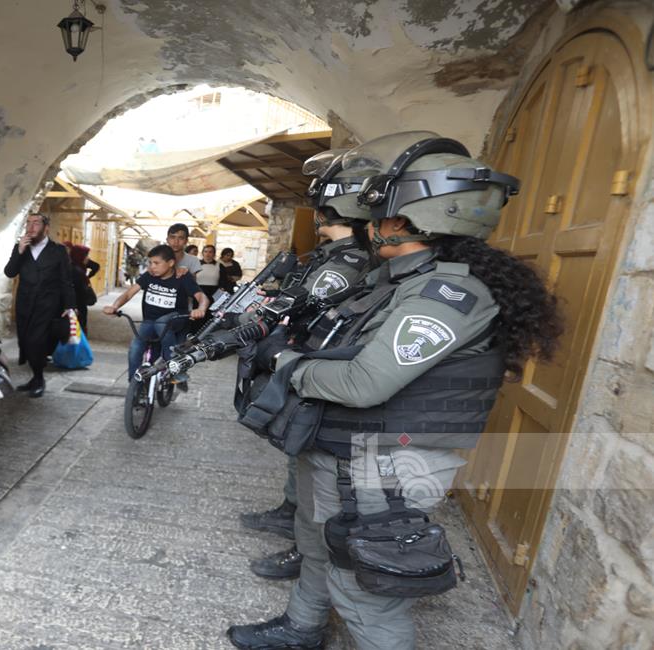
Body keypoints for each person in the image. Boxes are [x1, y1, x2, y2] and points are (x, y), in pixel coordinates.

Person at [227, 133, 561, 650]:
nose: (369, 225)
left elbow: (363, 383)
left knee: (364, 589)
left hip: (383, 463)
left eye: (379, 214)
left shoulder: (447, 294)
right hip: (347, 448)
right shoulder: (396, 279)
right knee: (317, 544)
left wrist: (288, 365)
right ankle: (302, 628)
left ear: (407, 221)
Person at [240, 152, 375, 580]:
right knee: (299, 450)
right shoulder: (335, 255)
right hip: (312, 360)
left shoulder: (349, 260)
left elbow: (307, 304)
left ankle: (307, 550)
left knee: (319, 469)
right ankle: (291, 515)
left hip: (325, 369)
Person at [103, 244, 209, 381]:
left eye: (156, 263)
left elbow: (202, 297)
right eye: (150, 263)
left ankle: (174, 365)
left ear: (170, 263)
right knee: (135, 349)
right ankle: (134, 385)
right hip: (150, 321)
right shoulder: (149, 276)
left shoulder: (182, 277)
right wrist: (114, 306)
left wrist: (201, 309)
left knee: (161, 323)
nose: (152, 266)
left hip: (174, 320)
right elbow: (129, 293)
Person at [3, 213, 75, 398]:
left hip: (47, 303)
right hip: (24, 303)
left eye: (36, 223)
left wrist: (70, 305)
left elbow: (66, 280)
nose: (31, 227)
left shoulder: (58, 251)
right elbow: (10, 272)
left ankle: (39, 378)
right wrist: (19, 251)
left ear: (46, 228)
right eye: (28, 223)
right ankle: (34, 378)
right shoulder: (21, 248)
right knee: (25, 340)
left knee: (37, 341)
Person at [67, 243, 98, 336]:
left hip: (78, 306)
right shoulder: (76, 272)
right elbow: (78, 292)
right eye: (86, 255)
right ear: (79, 256)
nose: (88, 258)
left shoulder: (76, 268)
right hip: (77, 306)